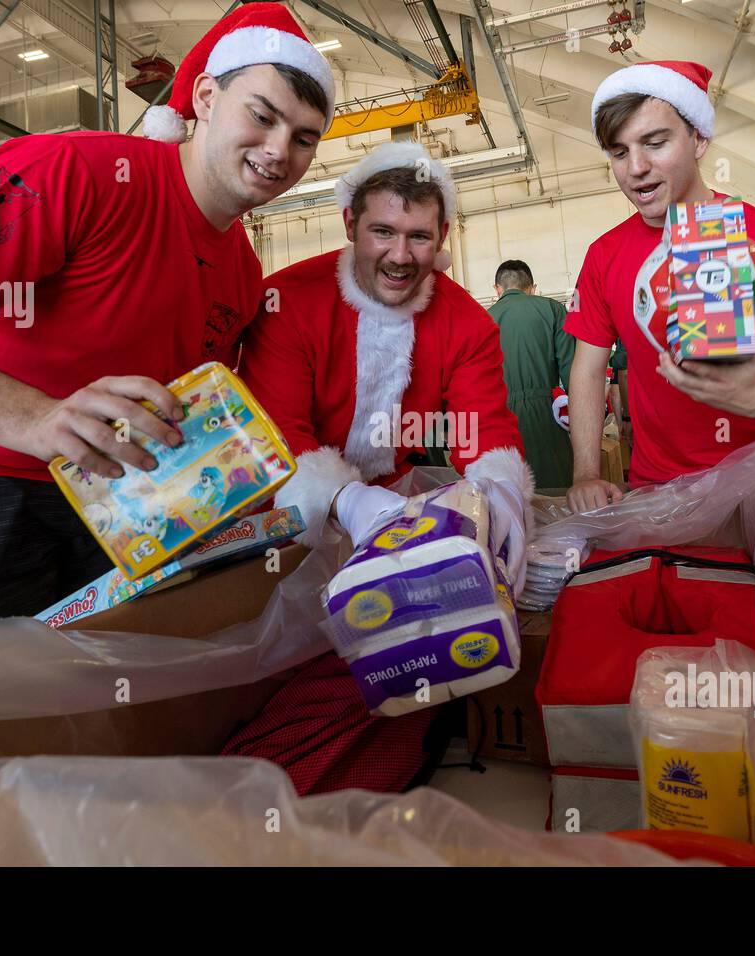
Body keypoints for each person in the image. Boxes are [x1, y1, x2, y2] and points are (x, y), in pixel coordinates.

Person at [0, 4, 335, 626]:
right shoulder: (72, 173)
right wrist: (38, 420)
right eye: (262, 115)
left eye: (305, 137)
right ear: (205, 96)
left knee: (98, 707)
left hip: (122, 510)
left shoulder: (243, 273)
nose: (280, 149)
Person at [229, 141, 534, 796]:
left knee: (388, 670)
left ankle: (364, 769)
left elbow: (485, 429)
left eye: (419, 236)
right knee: (278, 671)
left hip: (396, 520)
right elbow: (279, 435)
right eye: (384, 232)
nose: (401, 256)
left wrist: (502, 493)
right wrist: (350, 506)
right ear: (349, 224)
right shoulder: (285, 301)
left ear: (442, 235)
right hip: (281, 525)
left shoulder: (467, 322)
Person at [563, 60, 755, 512]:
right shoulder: (604, 255)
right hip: (659, 492)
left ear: (700, 139)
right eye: (619, 152)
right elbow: (588, 370)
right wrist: (586, 473)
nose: (637, 169)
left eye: (655, 143)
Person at [488, 259, 577, 490]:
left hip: (498, 422)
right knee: (554, 493)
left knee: (508, 498)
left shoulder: (483, 320)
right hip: (547, 417)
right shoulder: (552, 309)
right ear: (532, 287)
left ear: (498, 289)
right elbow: (573, 374)